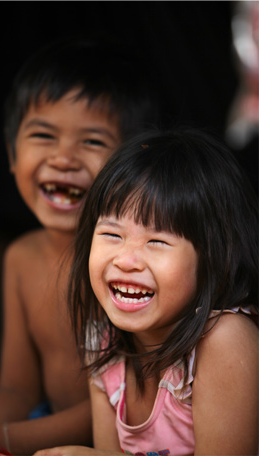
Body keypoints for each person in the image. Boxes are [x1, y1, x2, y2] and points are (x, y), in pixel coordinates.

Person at [0, 35, 159, 455]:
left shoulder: (125, 269)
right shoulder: (21, 257)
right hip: (42, 426)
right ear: (12, 155)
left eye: (91, 142)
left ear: (130, 167)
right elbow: (17, 386)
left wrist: (5, 438)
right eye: (44, 136)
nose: (63, 158)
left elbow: (122, 404)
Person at [34, 129, 258, 456]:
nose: (126, 261)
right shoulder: (102, 342)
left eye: (157, 242)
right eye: (112, 234)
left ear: (213, 258)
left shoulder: (224, 340)